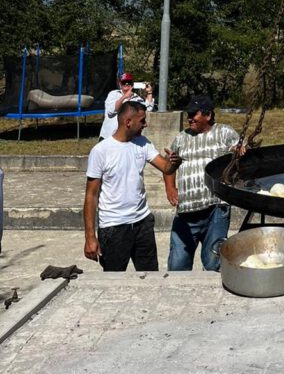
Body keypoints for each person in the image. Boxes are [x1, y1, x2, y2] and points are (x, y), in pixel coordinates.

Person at [84, 100, 181, 271]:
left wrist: (174, 162)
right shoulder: (101, 151)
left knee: (150, 277)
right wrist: (90, 237)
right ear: (128, 122)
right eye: (142, 120)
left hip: (142, 223)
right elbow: (91, 196)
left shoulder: (143, 143)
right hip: (113, 227)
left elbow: (165, 167)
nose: (146, 124)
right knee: (113, 281)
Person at [165, 95, 241, 272]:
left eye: (194, 114)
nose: (190, 118)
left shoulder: (224, 133)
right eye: (188, 114)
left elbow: (239, 149)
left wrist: (240, 149)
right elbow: (168, 166)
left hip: (215, 209)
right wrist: (170, 187)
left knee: (213, 262)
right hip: (186, 211)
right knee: (177, 265)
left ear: (207, 115)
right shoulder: (181, 138)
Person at [98, 72, 137, 141]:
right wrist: (124, 97)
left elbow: (147, 110)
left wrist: (149, 93)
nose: (126, 84)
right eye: (124, 82)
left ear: (132, 84)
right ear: (120, 84)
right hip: (108, 136)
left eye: (129, 82)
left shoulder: (137, 98)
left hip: (125, 137)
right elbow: (111, 111)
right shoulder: (113, 94)